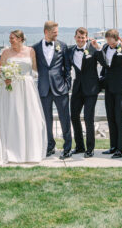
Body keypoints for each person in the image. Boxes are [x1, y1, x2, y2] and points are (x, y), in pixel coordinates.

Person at [0, 30, 48, 163]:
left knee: (30, 117)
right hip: (10, 89)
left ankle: (30, 152)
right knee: (12, 117)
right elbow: (1, 70)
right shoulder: (5, 52)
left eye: (12, 38)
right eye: (10, 38)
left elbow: (36, 68)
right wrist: (5, 78)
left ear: (20, 39)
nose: (10, 41)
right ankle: (12, 150)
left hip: (27, 88)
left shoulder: (31, 51)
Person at [92, 29, 122, 158]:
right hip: (109, 87)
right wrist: (98, 50)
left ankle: (121, 149)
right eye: (108, 43)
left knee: (120, 118)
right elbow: (104, 64)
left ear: (117, 39)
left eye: (112, 43)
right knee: (111, 117)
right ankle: (113, 146)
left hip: (121, 88)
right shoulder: (105, 47)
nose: (110, 45)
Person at [32, 21, 73, 159]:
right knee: (46, 120)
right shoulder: (36, 48)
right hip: (44, 89)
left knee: (65, 119)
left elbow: (68, 68)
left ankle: (67, 148)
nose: (57, 34)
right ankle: (50, 146)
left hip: (60, 88)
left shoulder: (63, 46)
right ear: (46, 32)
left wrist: (67, 85)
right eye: (54, 32)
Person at [69, 27, 103, 158]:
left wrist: (99, 49)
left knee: (88, 118)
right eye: (78, 37)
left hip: (91, 89)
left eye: (83, 37)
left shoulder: (93, 49)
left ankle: (90, 148)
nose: (80, 39)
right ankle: (79, 146)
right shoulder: (71, 50)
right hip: (77, 88)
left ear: (87, 38)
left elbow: (104, 62)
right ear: (75, 37)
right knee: (74, 116)